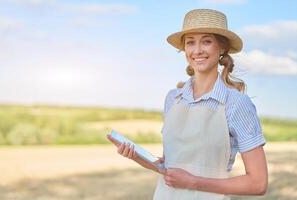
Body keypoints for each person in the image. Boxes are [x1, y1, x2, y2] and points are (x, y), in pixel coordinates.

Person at [107, 8, 268, 200]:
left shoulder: (236, 103)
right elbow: (171, 169)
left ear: (222, 48)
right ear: (184, 49)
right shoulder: (173, 99)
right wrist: (138, 156)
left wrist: (194, 182)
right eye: (190, 42)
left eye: (206, 41)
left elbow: (258, 183)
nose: (197, 50)